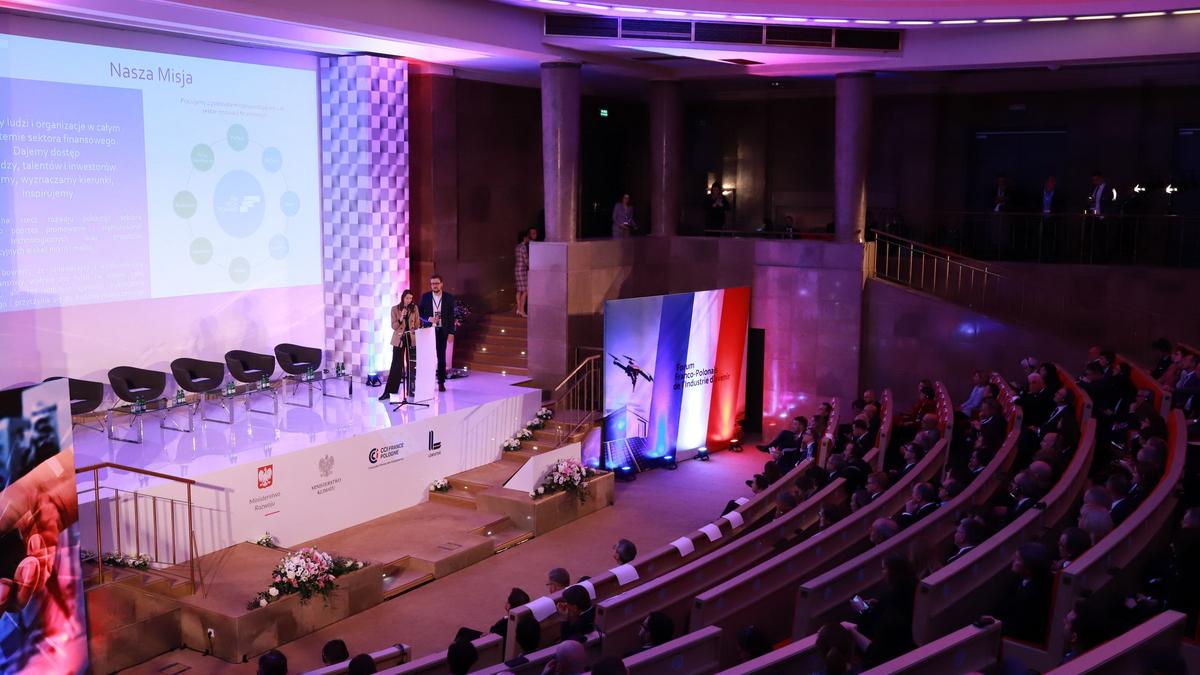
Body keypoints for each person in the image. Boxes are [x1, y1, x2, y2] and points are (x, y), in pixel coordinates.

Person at [995, 543, 1053, 642]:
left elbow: (1018, 626)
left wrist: (995, 625)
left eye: (1018, 559)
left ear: (1029, 568)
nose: (1013, 560)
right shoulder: (1017, 579)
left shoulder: (1034, 596)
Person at [379, 289, 420, 401]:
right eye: (407, 298)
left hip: (411, 338)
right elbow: (394, 326)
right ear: (403, 298)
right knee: (396, 365)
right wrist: (401, 318)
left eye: (410, 298)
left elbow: (417, 323)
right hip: (399, 339)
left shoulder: (415, 308)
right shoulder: (395, 309)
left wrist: (414, 329)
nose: (409, 300)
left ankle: (412, 390)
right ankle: (389, 392)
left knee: (412, 366)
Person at [418, 274, 456, 392]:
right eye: (432, 284)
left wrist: (451, 332)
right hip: (429, 331)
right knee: (428, 357)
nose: (434, 285)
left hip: (442, 331)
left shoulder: (449, 297)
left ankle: (441, 382)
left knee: (441, 357)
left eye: (436, 283)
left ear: (441, 284)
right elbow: (419, 313)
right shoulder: (425, 297)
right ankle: (427, 382)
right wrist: (429, 319)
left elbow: (451, 316)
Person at [515, 227, 537, 318]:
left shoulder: (517, 246)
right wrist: (532, 266)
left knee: (519, 290)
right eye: (527, 237)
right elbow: (526, 260)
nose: (528, 238)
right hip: (522, 270)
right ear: (524, 237)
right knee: (525, 291)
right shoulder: (523, 247)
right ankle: (522, 311)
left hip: (517, 269)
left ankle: (518, 309)